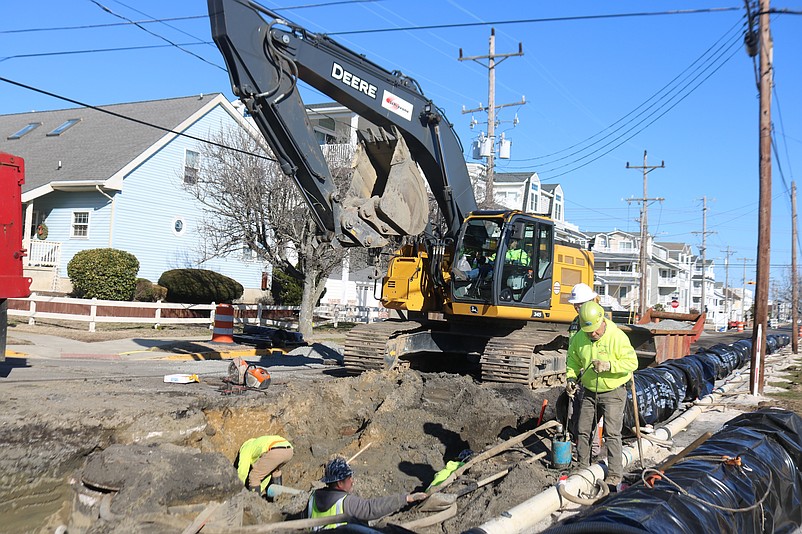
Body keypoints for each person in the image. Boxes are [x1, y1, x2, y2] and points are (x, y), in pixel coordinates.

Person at [565, 301, 638, 488]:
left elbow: (632, 363)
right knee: (582, 429)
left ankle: (614, 474)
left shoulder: (617, 337)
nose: (593, 334)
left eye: (596, 331)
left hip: (614, 391)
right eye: (589, 332)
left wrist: (609, 366)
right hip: (589, 390)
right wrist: (571, 379)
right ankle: (583, 467)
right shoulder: (580, 338)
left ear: (602, 321)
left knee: (612, 433)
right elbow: (572, 360)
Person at [307, 457, 427, 530]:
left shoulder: (313, 497)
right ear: (339, 483)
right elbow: (371, 508)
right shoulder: (346, 502)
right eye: (349, 478)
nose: (352, 481)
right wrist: (406, 498)